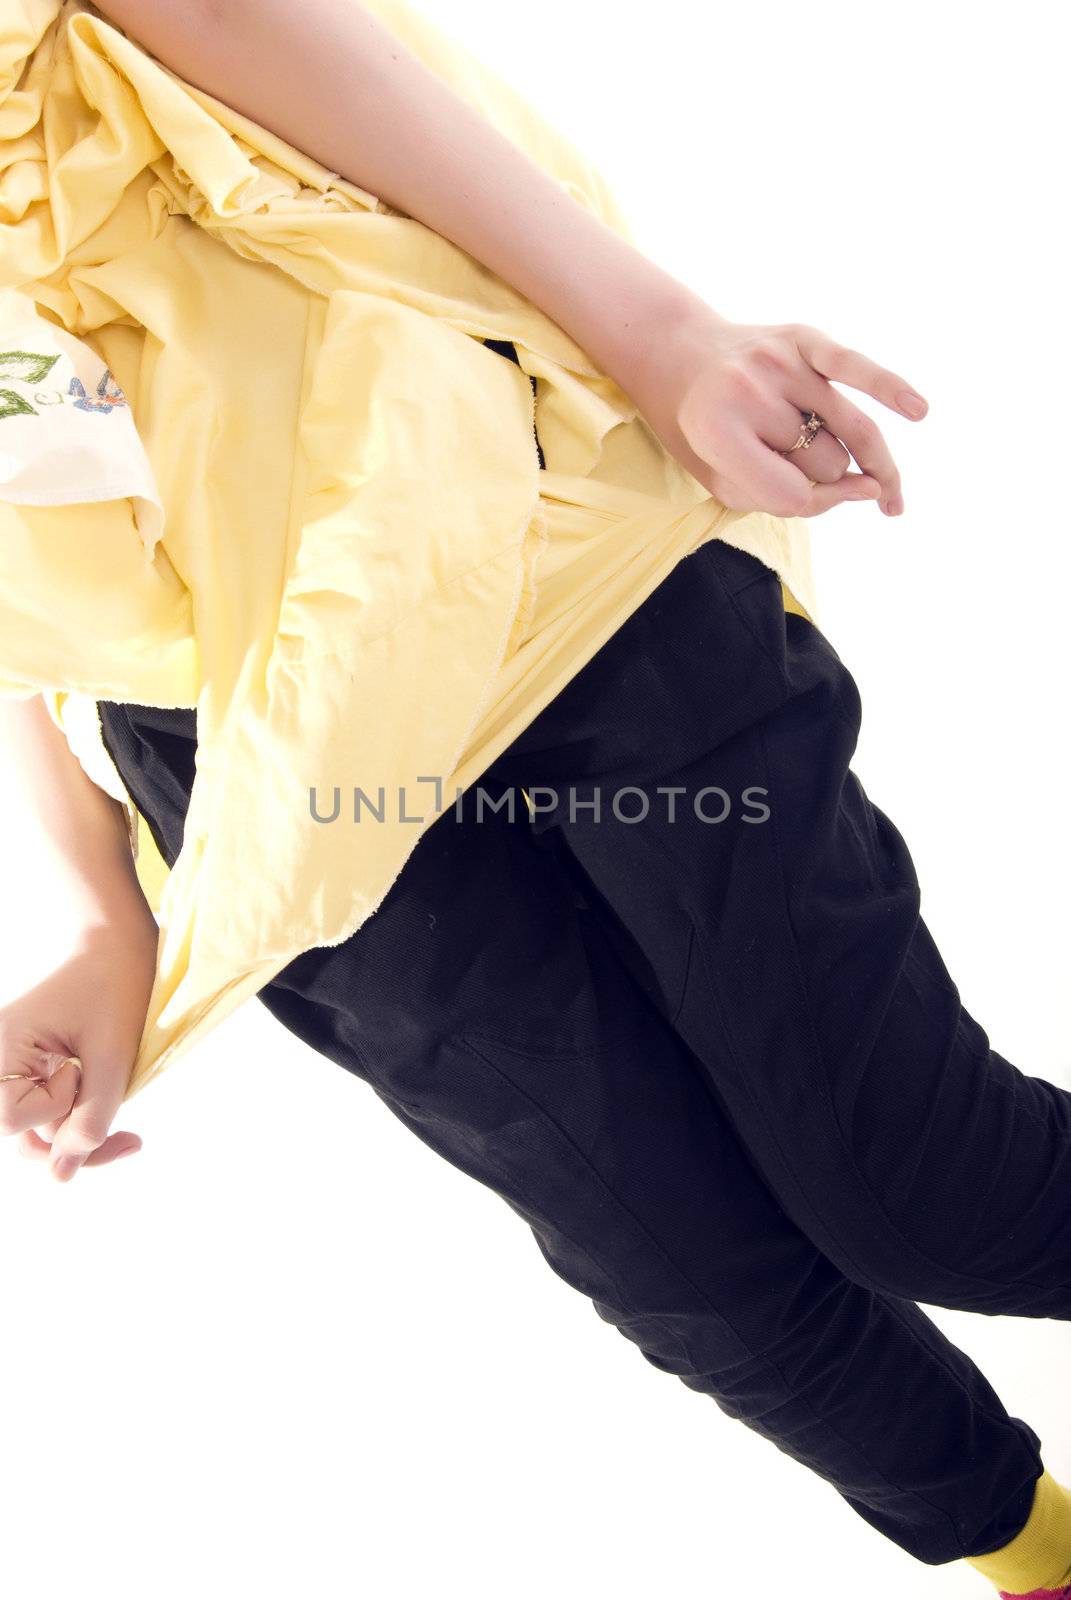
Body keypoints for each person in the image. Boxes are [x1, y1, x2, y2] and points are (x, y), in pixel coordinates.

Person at [1, 5, 1069, 1597]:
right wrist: (102, 900)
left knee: (916, 1182)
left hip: (501, 510)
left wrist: (659, 337)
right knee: (694, 1271)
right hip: (241, 727)